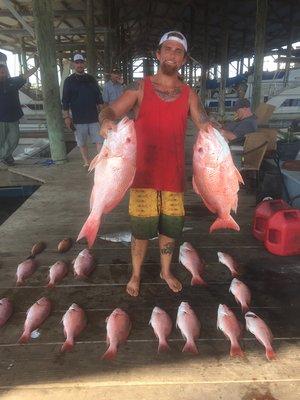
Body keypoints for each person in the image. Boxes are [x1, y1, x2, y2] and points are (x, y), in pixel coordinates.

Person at [98, 31, 208, 297]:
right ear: (158, 55)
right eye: (167, 49)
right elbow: (110, 110)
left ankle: (166, 270)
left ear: (183, 60)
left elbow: (204, 122)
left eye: (178, 51)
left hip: (174, 175)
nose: (172, 54)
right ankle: (136, 274)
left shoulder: (189, 94)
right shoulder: (140, 88)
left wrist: (219, 133)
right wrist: (105, 121)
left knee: (171, 229)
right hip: (142, 176)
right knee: (141, 230)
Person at [62, 54, 103, 167]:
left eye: (81, 62)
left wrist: (103, 114)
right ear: (73, 64)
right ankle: (86, 161)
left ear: (84, 64)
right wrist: (66, 117)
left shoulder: (91, 79)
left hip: (93, 117)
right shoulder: (69, 81)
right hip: (78, 119)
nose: (79, 64)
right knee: (81, 142)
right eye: (77, 62)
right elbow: (65, 101)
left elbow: (98, 97)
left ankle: (99, 162)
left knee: (99, 141)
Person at [0, 62, 39, 166]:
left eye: (4, 71)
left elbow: (25, 76)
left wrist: (36, 67)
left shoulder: (13, 81)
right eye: (0, 72)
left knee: (14, 138)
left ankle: (2, 157)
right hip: (0, 119)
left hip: (13, 117)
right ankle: (7, 158)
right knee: (1, 141)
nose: (2, 74)